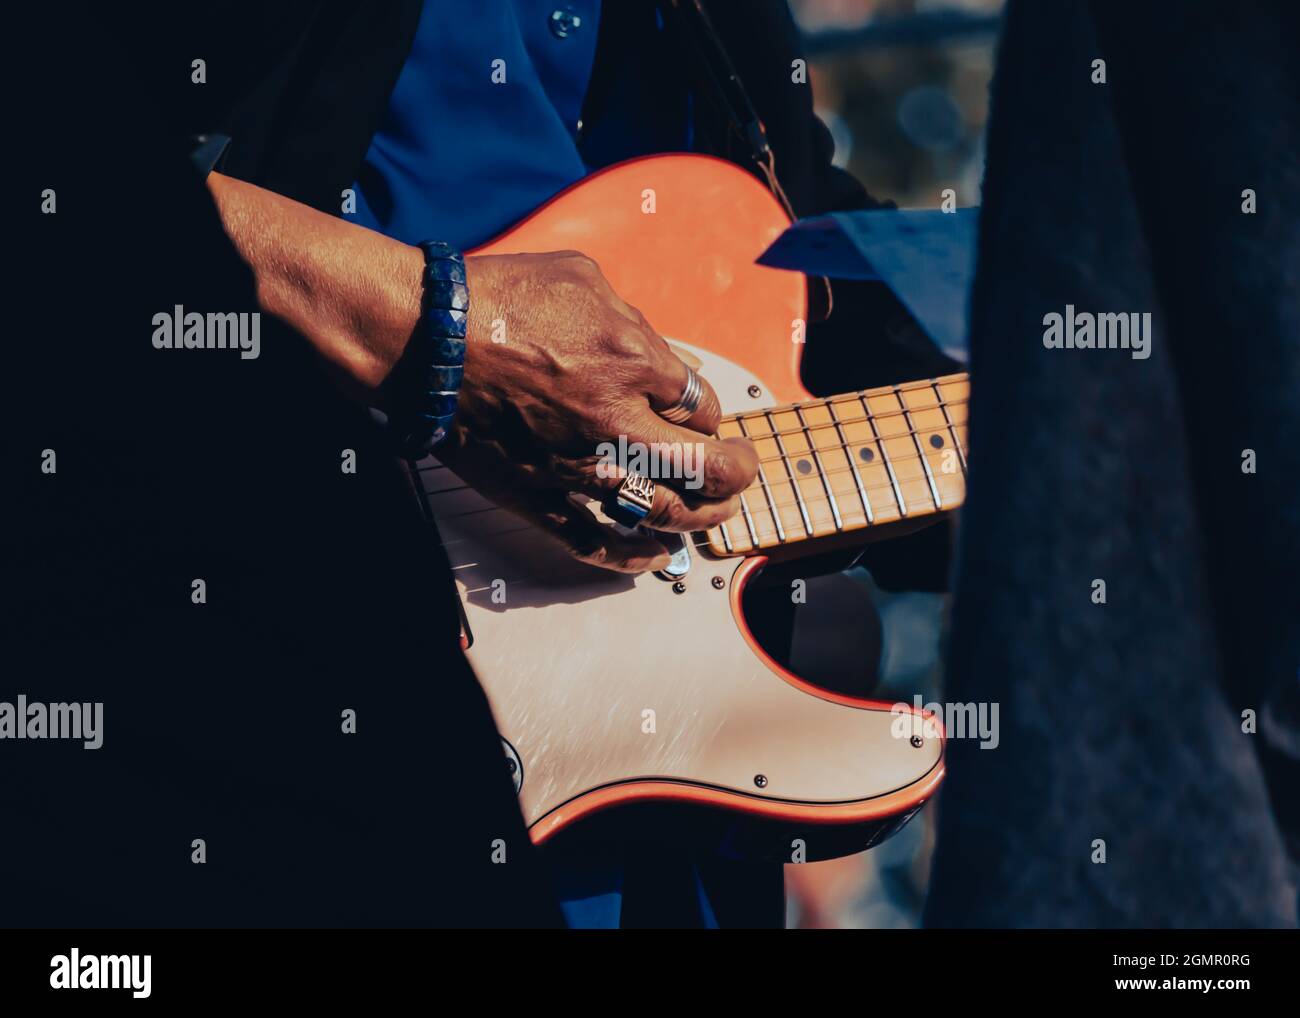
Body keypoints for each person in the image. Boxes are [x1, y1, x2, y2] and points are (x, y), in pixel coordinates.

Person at [15, 1, 958, 927]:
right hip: (227, 714)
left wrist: (1046, 429)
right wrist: (428, 330)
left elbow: (789, 253)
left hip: (653, 824)